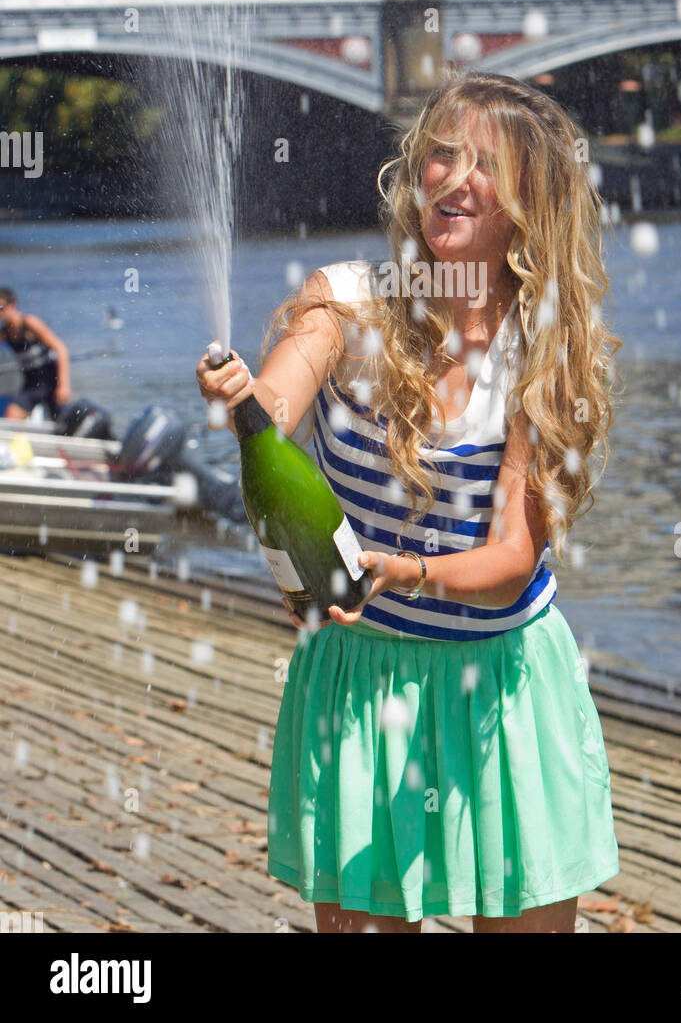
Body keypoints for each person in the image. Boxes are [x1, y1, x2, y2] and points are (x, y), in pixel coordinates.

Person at [197, 72, 621, 933]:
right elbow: (274, 412)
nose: (454, 178)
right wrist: (242, 399)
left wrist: (403, 571)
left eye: (486, 166)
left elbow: (510, 563)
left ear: (531, 200)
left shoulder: (544, 352)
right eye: (440, 155)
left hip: (499, 688)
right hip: (360, 685)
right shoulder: (347, 305)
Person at [0, 288, 71, 419]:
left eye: (1, 308)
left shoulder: (29, 322)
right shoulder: (4, 333)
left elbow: (61, 349)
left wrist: (63, 385)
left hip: (51, 382)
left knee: (62, 425)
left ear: (12, 305)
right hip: (32, 385)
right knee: (10, 417)